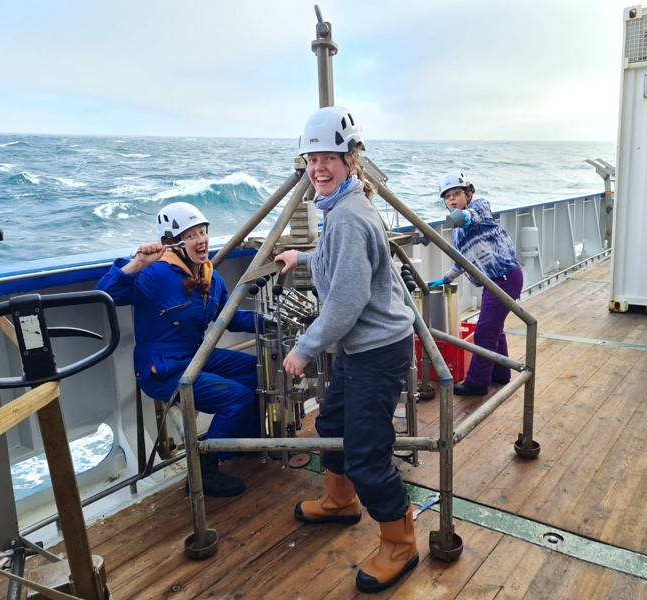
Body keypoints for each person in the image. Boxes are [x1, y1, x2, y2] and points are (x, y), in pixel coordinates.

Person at [274, 106, 420, 593]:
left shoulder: (349, 218)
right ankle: (340, 503)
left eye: (329, 158)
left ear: (351, 160)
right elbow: (339, 261)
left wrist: (305, 348)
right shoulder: (342, 211)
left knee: (366, 453)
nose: (318, 167)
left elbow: (348, 300)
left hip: (377, 350)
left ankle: (401, 543)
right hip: (365, 348)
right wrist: (302, 255)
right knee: (331, 423)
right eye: (311, 158)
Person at [95, 201, 260, 497]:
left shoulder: (210, 276)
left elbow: (229, 318)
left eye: (203, 232)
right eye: (193, 234)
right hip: (162, 370)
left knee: (253, 370)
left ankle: (240, 441)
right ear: (173, 243)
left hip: (195, 358)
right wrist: (137, 264)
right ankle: (205, 469)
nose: (202, 240)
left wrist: (269, 321)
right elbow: (104, 295)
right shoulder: (154, 275)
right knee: (238, 396)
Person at [433, 172, 523, 396]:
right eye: (447, 197)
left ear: (468, 194)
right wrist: (445, 279)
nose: (452, 199)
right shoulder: (457, 232)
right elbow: (463, 261)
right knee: (495, 329)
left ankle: (477, 383)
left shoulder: (480, 207)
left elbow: (469, 216)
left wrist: (459, 217)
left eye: (456, 194)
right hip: (491, 281)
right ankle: (501, 374)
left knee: (484, 332)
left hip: (505, 278)